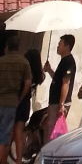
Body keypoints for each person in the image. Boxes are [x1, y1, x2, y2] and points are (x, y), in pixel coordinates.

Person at [0, 33, 31, 164]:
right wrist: (20, 98)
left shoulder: (1, 61)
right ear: (18, 47)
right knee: (5, 136)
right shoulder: (24, 62)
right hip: (12, 102)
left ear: (7, 47)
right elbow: (28, 83)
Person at [42, 34, 75, 143]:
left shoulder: (69, 62)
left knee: (52, 131)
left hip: (58, 102)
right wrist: (49, 70)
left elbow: (66, 83)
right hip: (55, 101)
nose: (57, 46)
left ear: (67, 46)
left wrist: (61, 104)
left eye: (60, 44)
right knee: (49, 128)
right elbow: (58, 79)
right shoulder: (63, 60)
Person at [12, 47, 43, 162]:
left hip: (19, 103)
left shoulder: (25, 72)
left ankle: (9, 157)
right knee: (18, 133)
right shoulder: (38, 75)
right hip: (26, 104)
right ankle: (18, 159)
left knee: (12, 132)